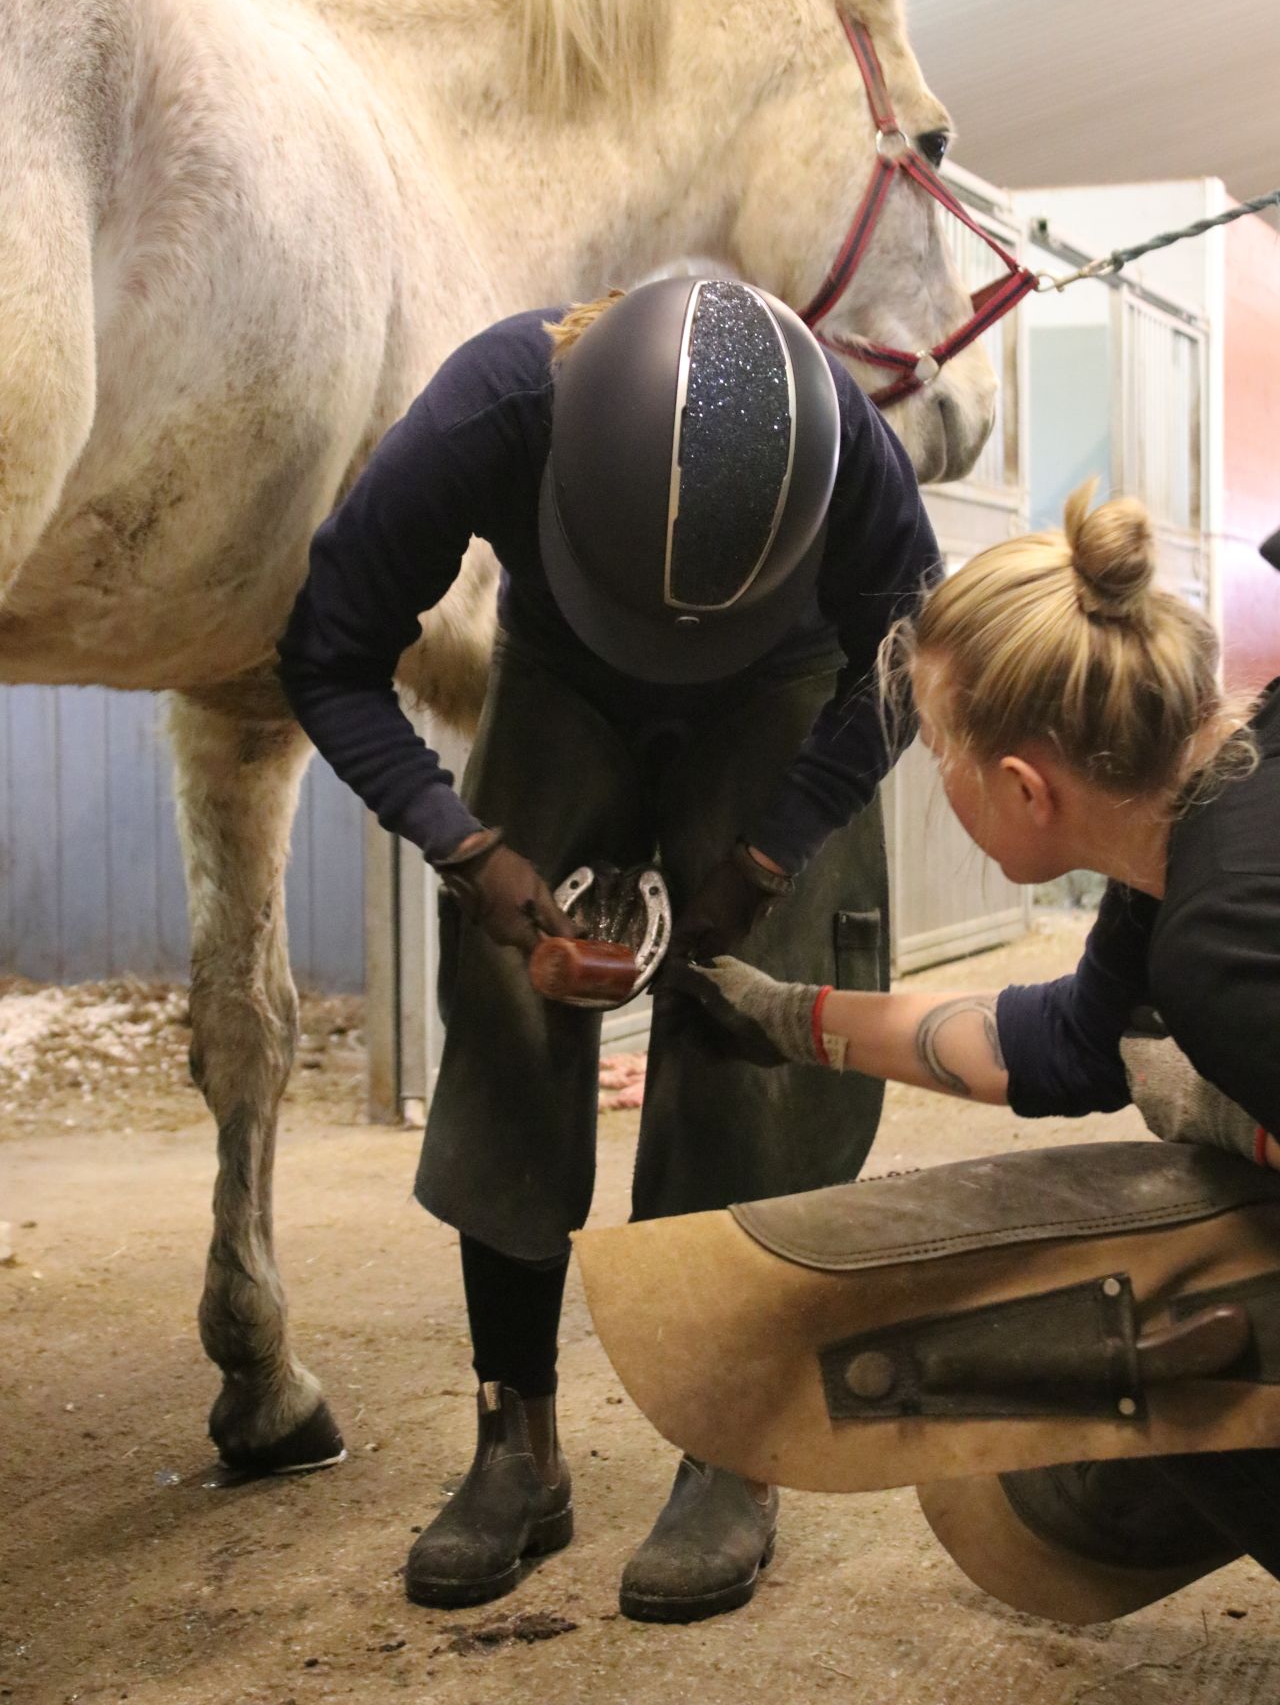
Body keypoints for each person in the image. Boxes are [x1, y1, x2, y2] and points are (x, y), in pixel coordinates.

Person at [276, 276, 941, 1621]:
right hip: (566, 671)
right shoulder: (497, 405)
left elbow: (916, 655)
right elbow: (327, 648)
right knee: (511, 1014)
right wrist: (466, 850)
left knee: (754, 1030)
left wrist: (768, 855)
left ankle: (729, 1446)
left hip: (781, 679)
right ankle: (513, 1442)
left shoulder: (849, 446)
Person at [677, 476, 1280, 1594]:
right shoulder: (1197, 824)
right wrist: (785, 1016)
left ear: (1020, 787)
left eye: (936, 750)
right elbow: (1056, 1047)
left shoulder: (1219, 941)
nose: (937, 777)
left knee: (1152, 1329)